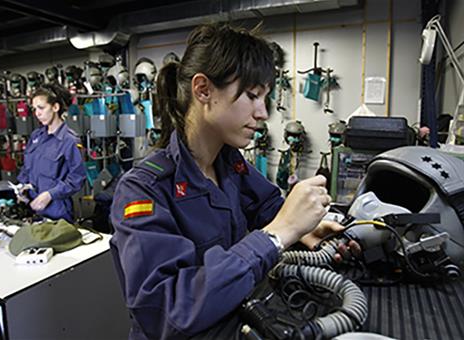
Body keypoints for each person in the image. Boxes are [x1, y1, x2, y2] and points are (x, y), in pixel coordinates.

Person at [110, 24, 358, 339]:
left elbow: (269, 208)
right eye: (253, 96)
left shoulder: (230, 163)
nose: (263, 113)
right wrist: (276, 235)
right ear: (203, 90)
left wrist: (306, 230)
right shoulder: (144, 189)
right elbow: (169, 310)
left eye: (265, 98)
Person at [17, 83, 86, 222]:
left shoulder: (69, 140)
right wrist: (21, 187)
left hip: (57, 212)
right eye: (34, 109)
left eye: (41, 108)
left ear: (55, 107)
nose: (37, 113)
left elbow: (77, 178)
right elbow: (27, 169)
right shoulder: (36, 136)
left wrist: (50, 195)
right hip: (32, 208)